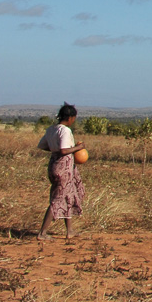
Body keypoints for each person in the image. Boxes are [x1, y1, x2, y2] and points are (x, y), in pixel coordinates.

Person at [36, 102, 86, 240]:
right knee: (58, 199)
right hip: (63, 168)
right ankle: (42, 233)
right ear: (70, 118)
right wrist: (78, 148)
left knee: (67, 196)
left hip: (55, 165)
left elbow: (43, 146)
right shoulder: (65, 130)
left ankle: (69, 231)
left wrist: (55, 150)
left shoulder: (51, 130)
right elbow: (64, 150)